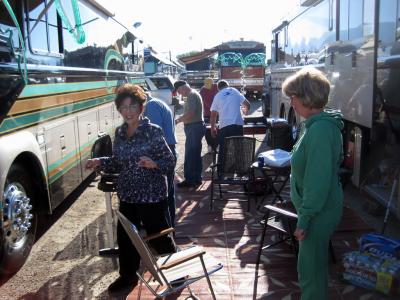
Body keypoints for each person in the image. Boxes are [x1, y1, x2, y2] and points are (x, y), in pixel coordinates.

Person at [86, 84, 176, 295]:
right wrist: (99, 161)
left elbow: (169, 162)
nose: (128, 111)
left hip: (152, 195)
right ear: (119, 110)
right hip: (128, 194)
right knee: (126, 238)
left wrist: (154, 163)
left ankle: (175, 270)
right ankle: (127, 276)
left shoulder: (153, 131)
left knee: (159, 237)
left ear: (141, 107)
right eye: (123, 107)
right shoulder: (119, 132)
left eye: (132, 106)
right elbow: (118, 162)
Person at [282, 67, 343, 300]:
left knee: (310, 272)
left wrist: (304, 219)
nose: (291, 102)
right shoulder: (315, 125)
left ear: (306, 97)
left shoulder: (320, 131)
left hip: (318, 213)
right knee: (313, 269)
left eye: (293, 96)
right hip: (316, 209)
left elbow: (317, 182)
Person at [144, 93, 178, 227]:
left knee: (163, 197)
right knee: (169, 194)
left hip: (162, 153)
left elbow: (154, 134)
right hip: (168, 149)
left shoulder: (151, 106)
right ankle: (170, 228)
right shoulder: (157, 102)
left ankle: (167, 232)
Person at [210, 80, 250, 165]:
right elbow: (247, 104)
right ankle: (240, 170)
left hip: (224, 125)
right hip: (237, 124)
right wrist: (245, 112)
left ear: (218, 88)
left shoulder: (217, 95)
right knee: (238, 148)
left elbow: (213, 115)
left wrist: (212, 128)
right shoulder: (235, 91)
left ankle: (222, 170)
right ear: (227, 85)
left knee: (223, 149)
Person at [174, 80, 206, 188]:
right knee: (195, 154)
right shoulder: (191, 94)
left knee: (190, 154)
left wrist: (178, 120)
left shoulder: (191, 95)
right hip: (195, 127)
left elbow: (191, 112)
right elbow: (190, 111)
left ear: (183, 87)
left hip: (194, 127)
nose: (179, 93)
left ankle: (189, 179)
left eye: (179, 90)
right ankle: (196, 178)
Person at [199, 77, 219, 152]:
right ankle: (210, 145)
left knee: (216, 129)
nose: (208, 87)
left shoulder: (216, 87)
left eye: (209, 85)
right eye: (206, 85)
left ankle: (216, 145)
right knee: (208, 131)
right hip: (207, 114)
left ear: (212, 83)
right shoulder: (203, 90)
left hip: (217, 113)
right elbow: (205, 102)